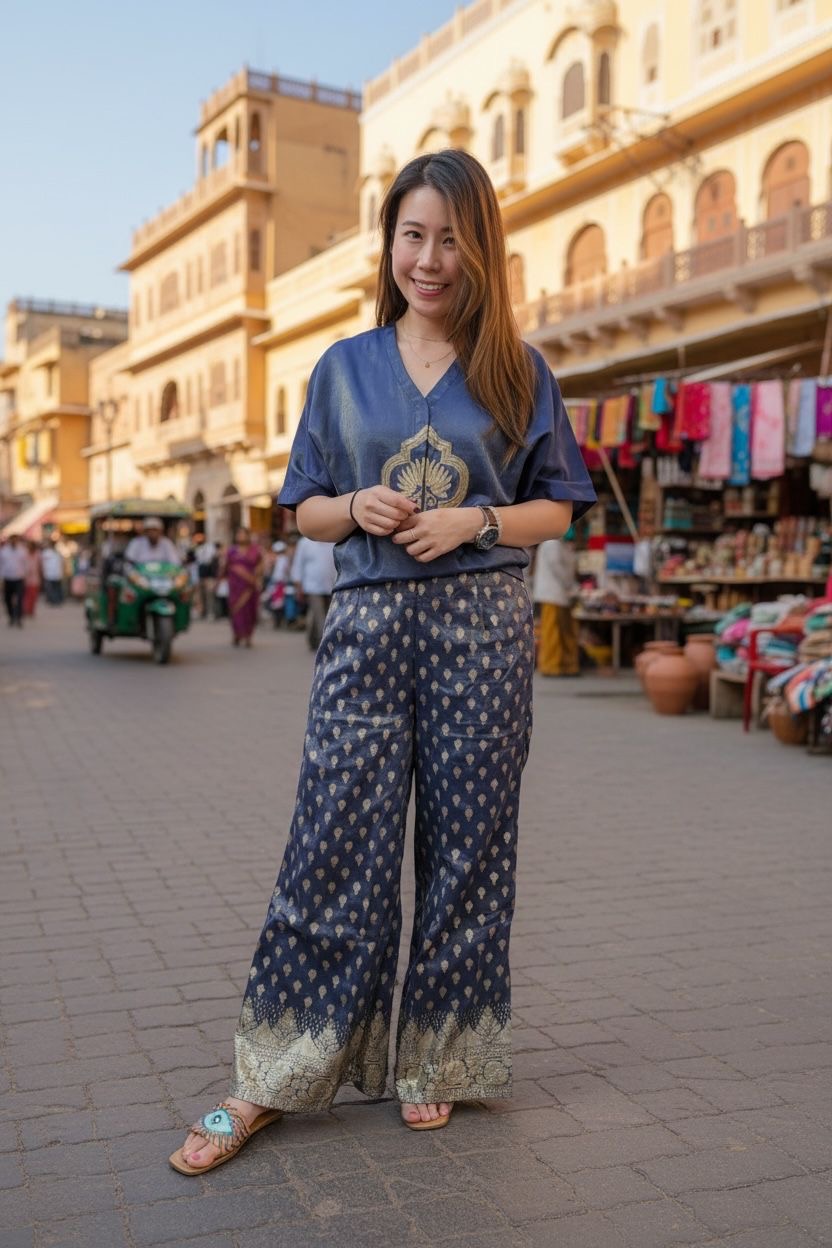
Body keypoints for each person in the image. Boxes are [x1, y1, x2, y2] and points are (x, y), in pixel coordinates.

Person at [170, 149, 595, 1176]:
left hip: (482, 631)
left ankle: (437, 1060)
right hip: (365, 636)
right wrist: (354, 508)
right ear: (390, 244)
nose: (430, 258)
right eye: (413, 235)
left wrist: (473, 521)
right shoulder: (341, 368)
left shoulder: (517, 370)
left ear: (479, 248)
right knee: (333, 845)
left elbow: (555, 504)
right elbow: (304, 501)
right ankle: (275, 1071)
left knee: (467, 848)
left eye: (451, 237)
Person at [533, 532, 581, 677]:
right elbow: (558, 568)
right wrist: (570, 585)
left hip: (561, 595)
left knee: (565, 632)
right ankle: (551, 666)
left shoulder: (561, 545)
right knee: (552, 632)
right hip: (552, 595)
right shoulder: (551, 544)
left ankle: (567, 665)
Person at [290, 534, 336, 650]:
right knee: (320, 615)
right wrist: (298, 585)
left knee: (323, 615)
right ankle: (324, 645)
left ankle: (312, 640)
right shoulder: (305, 543)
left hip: (331, 585)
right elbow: (298, 564)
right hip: (312, 586)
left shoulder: (333, 541)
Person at [220, 526, 263, 647]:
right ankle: (237, 634)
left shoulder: (255, 550)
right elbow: (225, 566)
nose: (240, 536)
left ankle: (248, 636)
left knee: (250, 611)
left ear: (248, 536)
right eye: (238, 534)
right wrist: (219, 579)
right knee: (236, 611)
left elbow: (260, 565)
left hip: (249, 586)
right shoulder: (231, 551)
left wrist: (256, 577)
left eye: (243, 534)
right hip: (235, 587)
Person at [0, 534, 27, 627]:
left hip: (19, 578)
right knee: (7, 599)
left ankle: (19, 618)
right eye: (12, 540)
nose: (14, 542)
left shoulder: (22, 551)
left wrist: (25, 576)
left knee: (19, 599)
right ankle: (11, 616)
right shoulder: (3, 551)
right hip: (7, 579)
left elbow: (25, 564)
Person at [41, 540, 65, 605]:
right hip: (49, 574)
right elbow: (42, 563)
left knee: (56, 588)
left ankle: (57, 600)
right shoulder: (46, 553)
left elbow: (61, 563)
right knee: (50, 588)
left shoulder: (57, 553)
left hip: (56, 574)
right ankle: (52, 600)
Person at [23, 540, 42, 617]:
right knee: (26, 595)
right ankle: (26, 609)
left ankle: (31, 610)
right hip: (25, 578)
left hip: (35, 578)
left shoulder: (38, 554)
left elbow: (40, 566)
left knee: (33, 595)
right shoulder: (24, 554)